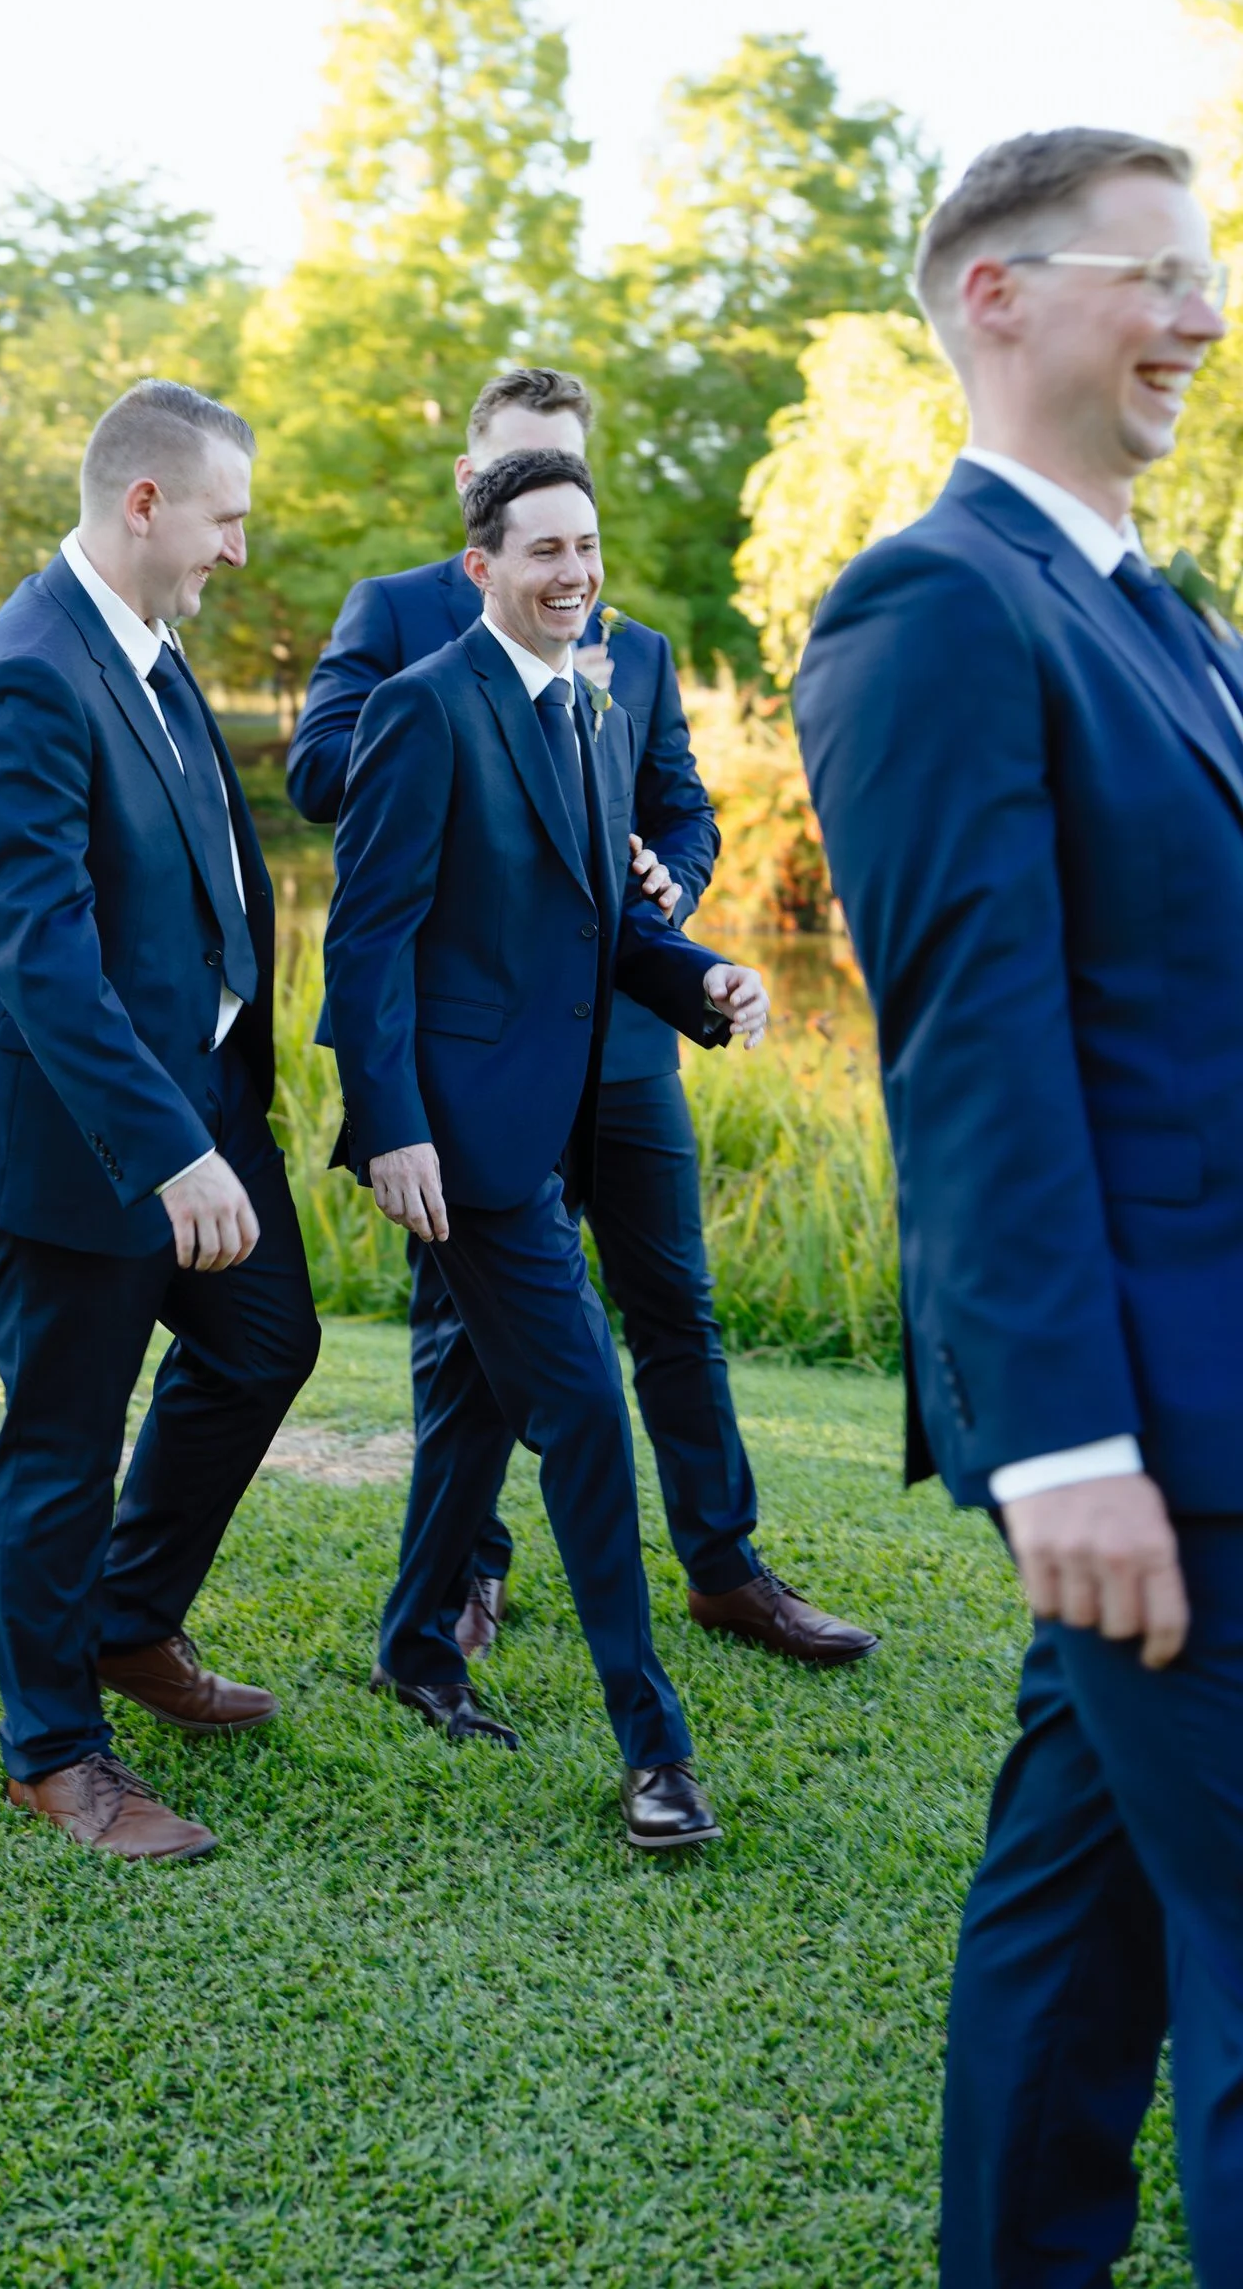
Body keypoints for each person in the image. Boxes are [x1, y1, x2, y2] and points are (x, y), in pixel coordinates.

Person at [796, 128, 1243, 2283]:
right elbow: (973, 1053)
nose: (1201, 313)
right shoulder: (936, 604)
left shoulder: (1170, 610)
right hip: (1149, 1419)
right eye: (1155, 271)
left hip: (1211, 1374)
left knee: (1076, 1911)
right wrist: (1064, 1438)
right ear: (996, 295)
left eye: (1206, 273)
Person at [289, 367, 874, 1668]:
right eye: (522, 475)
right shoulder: (397, 619)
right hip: (481, 1051)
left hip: (620, 1040)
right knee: (464, 1337)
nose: (557, 519)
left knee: (677, 1304)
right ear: (472, 490)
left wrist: (663, 873)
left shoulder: (641, 647)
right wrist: (494, 729)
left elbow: (684, 810)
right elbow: (320, 770)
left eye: (572, 480)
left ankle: (726, 1567)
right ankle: (464, 1576)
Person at [322, 444, 771, 1849]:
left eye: (586, 547)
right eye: (542, 552)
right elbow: (368, 935)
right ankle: (656, 1746)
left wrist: (701, 978)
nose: (572, 573)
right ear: (483, 566)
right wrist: (390, 1126)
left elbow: (614, 924)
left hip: (558, 1124)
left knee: (471, 1398)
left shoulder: (592, 709)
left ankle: (412, 1643)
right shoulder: (422, 707)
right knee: (581, 1407)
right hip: (462, 1148)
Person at [0, 380, 321, 1863]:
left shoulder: (143, 644)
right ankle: (54, 1751)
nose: (237, 549)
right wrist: (168, 1146)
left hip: (194, 1095)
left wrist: (221, 1099)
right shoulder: (27, 669)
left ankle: (132, 1621)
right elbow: (35, 949)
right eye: (226, 517)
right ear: (145, 502)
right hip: (74, 1131)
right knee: (66, 1434)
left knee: (266, 1340)